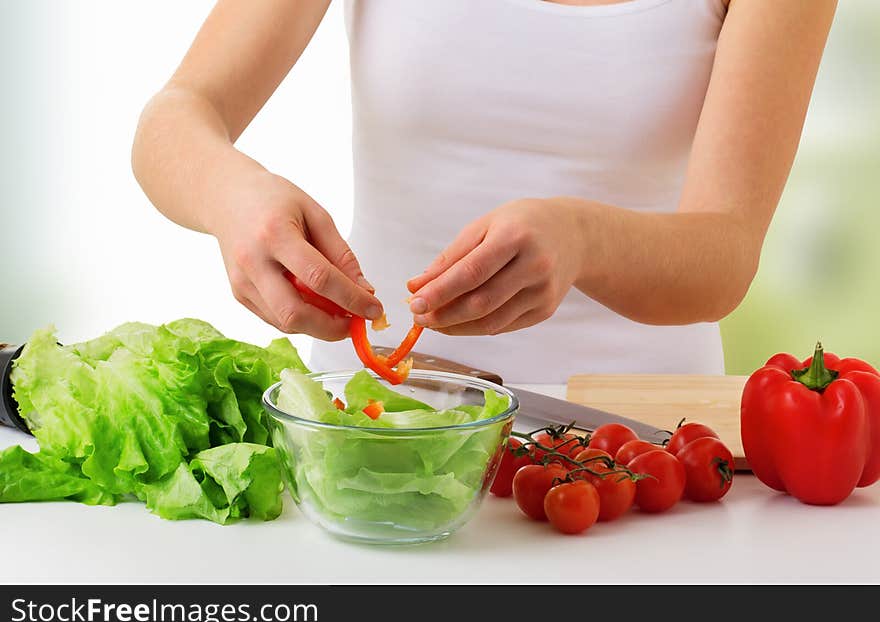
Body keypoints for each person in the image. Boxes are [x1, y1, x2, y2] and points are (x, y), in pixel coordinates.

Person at [132, 0, 837, 383]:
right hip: (379, 425)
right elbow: (175, 117)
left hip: (633, 450)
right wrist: (234, 195)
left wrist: (582, 239)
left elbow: (726, 252)